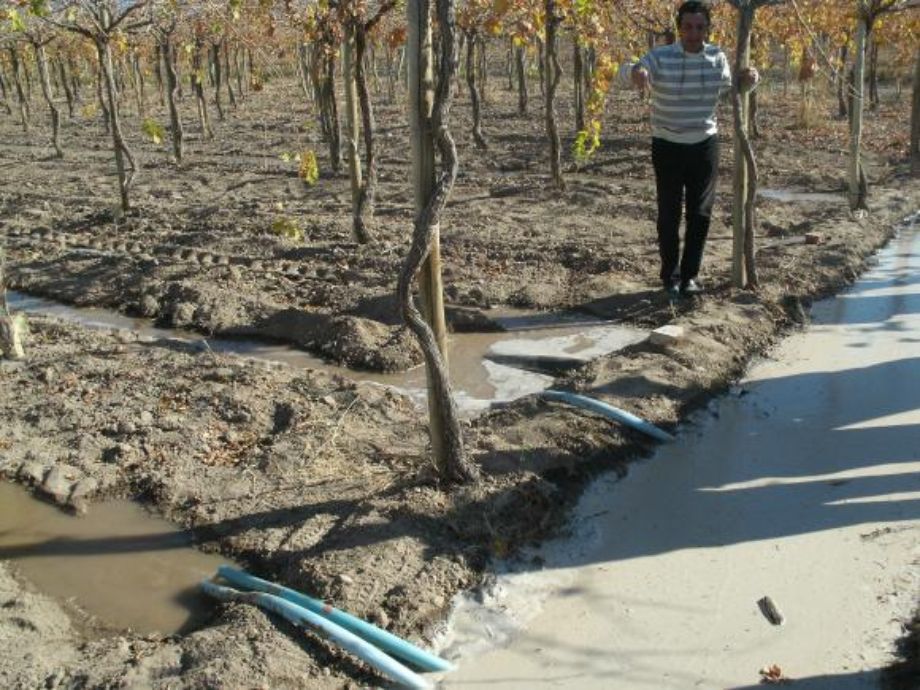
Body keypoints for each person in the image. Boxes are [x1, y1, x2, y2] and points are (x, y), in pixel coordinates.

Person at [621, 1, 759, 297]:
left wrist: (748, 82)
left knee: (700, 213)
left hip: (704, 145)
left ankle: (690, 277)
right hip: (667, 145)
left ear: (707, 29)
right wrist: (636, 73)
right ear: (679, 28)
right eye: (688, 27)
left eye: (699, 27)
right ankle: (669, 276)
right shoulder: (661, 56)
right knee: (668, 213)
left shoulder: (716, 58)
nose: (694, 33)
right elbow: (631, 70)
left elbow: (730, 93)